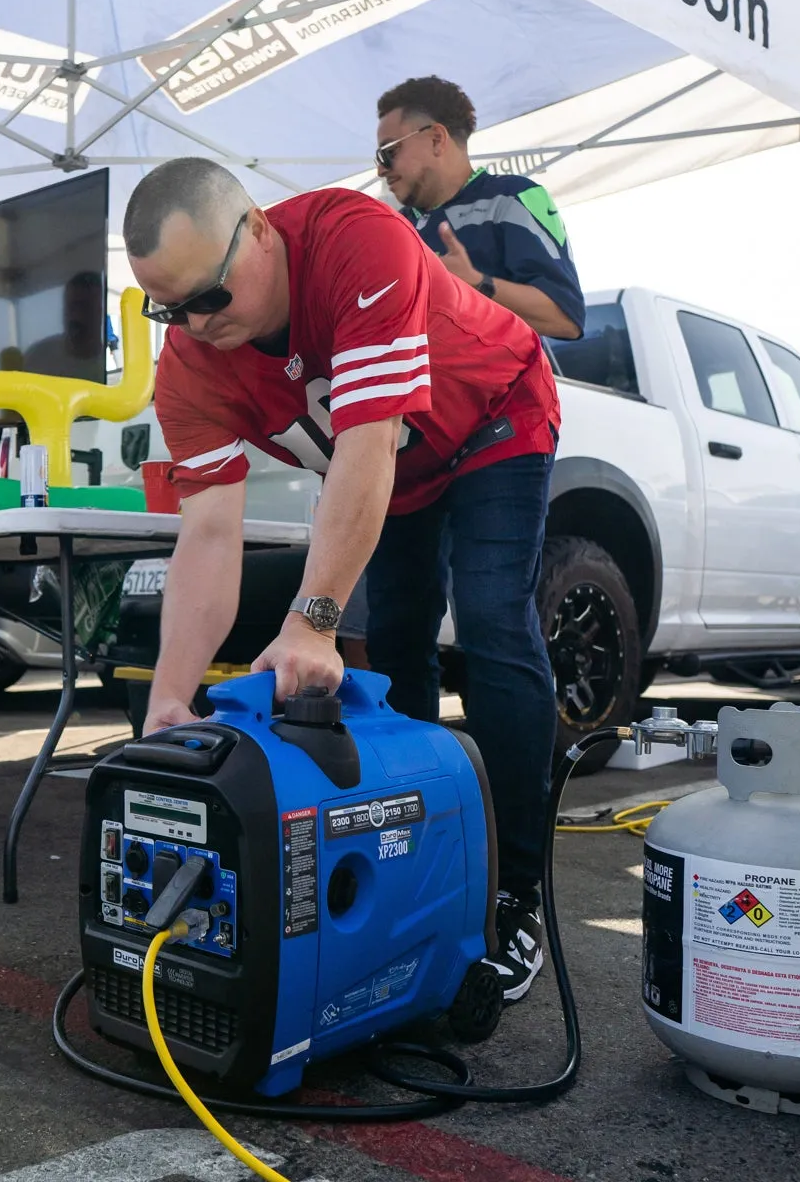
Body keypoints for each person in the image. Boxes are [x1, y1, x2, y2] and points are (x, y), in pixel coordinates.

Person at [127, 158, 560, 1003]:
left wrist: (311, 619)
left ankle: (516, 894)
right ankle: (427, 844)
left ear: (257, 228)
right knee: (396, 641)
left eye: (208, 298)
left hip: (494, 415)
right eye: (167, 308)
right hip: (400, 465)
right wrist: (168, 700)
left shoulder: (354, 239)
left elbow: (367, 445)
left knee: (490, 621)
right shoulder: (186, 366)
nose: (193, 325)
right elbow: (209, 535)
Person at [374, 76, 585, 341]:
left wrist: (475, 282)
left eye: (388, 152)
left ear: (437, 139)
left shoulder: (512, 197)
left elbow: (565, 318)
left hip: (499, 382)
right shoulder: (394, 229)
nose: (380, 169)